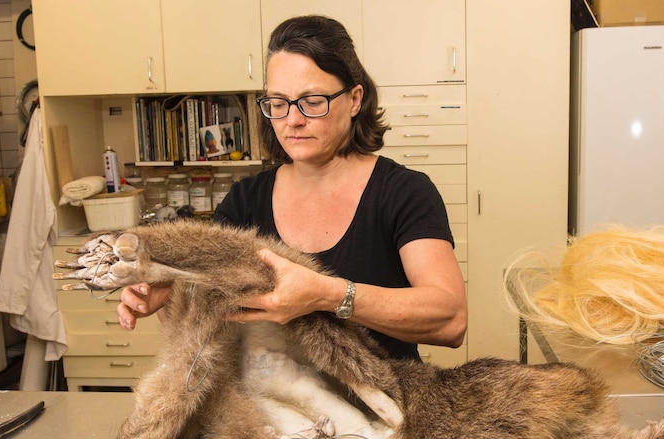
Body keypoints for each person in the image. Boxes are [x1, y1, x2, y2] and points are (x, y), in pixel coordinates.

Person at [118, 15, 467, 361]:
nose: (292, 120)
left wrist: (329, 295)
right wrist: (169, 293)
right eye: (278, 103)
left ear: (355, 99)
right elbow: (212, 323)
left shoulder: (403, 192)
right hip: (275, 408)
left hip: (383, 402)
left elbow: (450, 321)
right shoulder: (245, 200)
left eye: (313, 101)